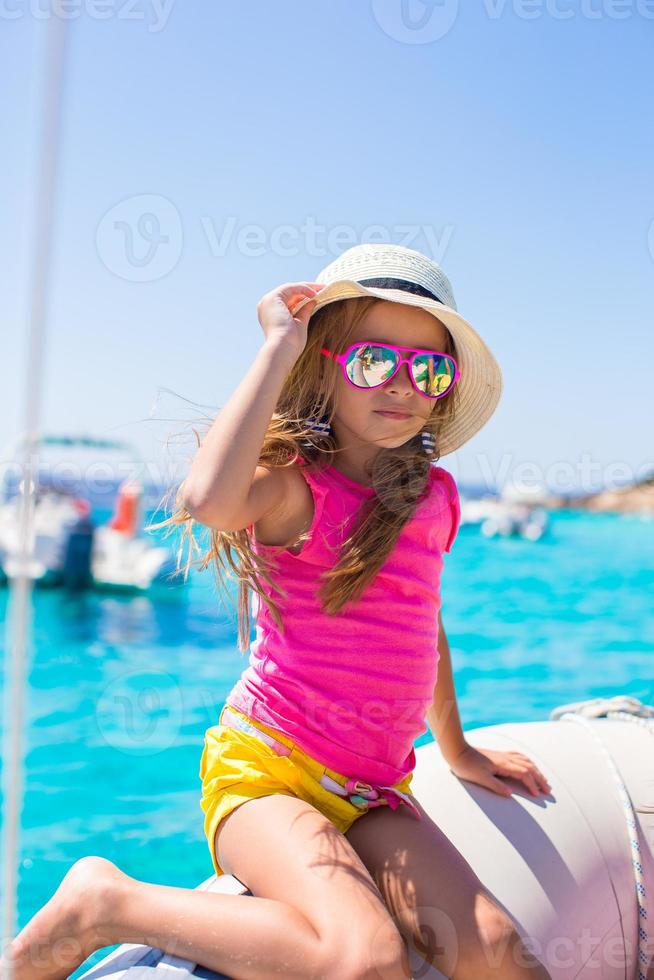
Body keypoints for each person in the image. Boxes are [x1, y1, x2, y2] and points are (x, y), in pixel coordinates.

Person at [3, 243, 552, 980]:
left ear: (445, 391)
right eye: (372, 361)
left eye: (428, 369)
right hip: (269, 775)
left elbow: (422, 628)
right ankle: (107, 902)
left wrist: (456, 752)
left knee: (502, 953)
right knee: (364, 962)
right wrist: (276, 346)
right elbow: (209, 500)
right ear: (324, 364)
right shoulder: (295, 488)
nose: (402, 384)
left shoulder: (435, 498)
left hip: (374, 791)